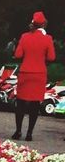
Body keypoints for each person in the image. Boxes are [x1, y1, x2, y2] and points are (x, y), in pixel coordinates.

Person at [11, 11, 55, 142]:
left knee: (20, 103)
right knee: (35, 104)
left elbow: (18, 55)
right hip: (39, 74)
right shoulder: (48, 39)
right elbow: (51, 57)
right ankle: (29, 133)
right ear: (43, 24)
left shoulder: (24, 37)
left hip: (25, 73)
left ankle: (18, 131)